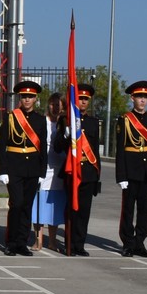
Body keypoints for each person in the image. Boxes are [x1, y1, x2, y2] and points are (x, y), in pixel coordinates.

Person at [115, 80, 147, 257]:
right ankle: (128, 243)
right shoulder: (125, 120)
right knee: (128, 210)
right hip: (131, 171)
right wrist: (121, 176)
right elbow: (120, 151)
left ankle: (139, 243)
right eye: (139, 97)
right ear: (132, 98)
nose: (142, 100)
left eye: (145, 97)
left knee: (144, 210)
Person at [0, 80, 46, 256]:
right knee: (16, 204)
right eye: (24, 96)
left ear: (35, 99)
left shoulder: (40, 120)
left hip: (32, 168)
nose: (27, 100)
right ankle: (11, 242)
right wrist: (3, 170)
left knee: (27, 206)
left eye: (30, 97)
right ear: (20, 98)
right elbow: (2, 144)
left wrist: (42, 171)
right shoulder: (11, 117)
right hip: (14, 168)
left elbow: (43, 148)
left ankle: (21, 243)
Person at [55, 83, 101, 256]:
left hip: (88, 172)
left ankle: (79, 244)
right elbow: (57, 148)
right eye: (80, 99)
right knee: (71, 209)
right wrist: (66, 134)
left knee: (84, 210)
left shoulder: (93, 122)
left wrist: (97, 175)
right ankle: (69, 244)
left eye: (85, 99)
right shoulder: (65, 120)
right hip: (71, 171)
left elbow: (95, 151)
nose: (82, 102)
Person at [31, 93, 67, 251]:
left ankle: (52, 241)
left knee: (54, 208)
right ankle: (38, 239)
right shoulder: (41, 121)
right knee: (38, 206)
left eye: (59, 104)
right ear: (48, 105)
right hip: (42, 167)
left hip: (59, 170)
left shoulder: (65, 123)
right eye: (53, 104)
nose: (56, 107)